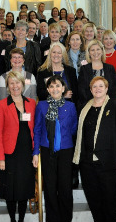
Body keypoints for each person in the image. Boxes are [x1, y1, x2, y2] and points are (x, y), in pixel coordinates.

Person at [73, 76, 116, 222]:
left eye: (101, 86)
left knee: (109, 205)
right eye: (94, 87)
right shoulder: (84, 108)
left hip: (109, 164)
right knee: (94, 203)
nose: (97, 89)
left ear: (106, 89)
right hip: (87, 164)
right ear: (91, 90)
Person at [33, 75, 78, 222]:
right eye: (51, 86)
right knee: (50, 187)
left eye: (58, 85)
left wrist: (62, 138)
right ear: (47, 89)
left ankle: (66, 219)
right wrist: (35, 152)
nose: (55, 89)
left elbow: (73, 128)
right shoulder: (41, 105)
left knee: (65, 187)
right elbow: (37, 129)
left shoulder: (70, 106)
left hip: (65, 150)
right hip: (47, 150)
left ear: (63, 88)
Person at [0, 71, 36, 222]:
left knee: (24, 189)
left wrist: (36, 153)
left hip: (27, 154)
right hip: (9, 154)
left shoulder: (32, 103)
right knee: (10, 190)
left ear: (22, 84)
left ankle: (21, 220)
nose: (15, 86)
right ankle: (13, 220)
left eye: (17, 82)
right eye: (11, 83)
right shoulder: (1, 105)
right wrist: (0, 158)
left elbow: (35, 130)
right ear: (7, 86)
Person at [78, 40, 116, 109]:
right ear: (89, 53)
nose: (95, 52)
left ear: (102, 51)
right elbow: (82, 90)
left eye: (98, 49)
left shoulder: (110, 68)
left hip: (108, 106)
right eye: (92, 50)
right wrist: (93, 103)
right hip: (89, 106)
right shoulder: (84, 69)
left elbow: (113, 89)